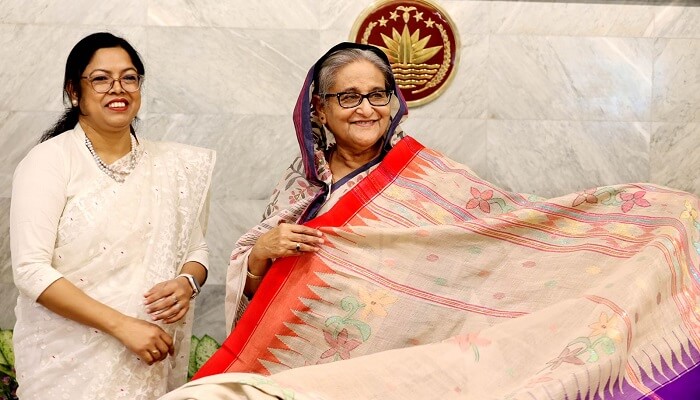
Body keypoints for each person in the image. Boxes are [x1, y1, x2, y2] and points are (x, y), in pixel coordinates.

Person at [163, 43, 699, 399]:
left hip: (401, 370)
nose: (365, 108)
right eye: (348, 96)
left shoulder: (428, 177)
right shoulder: (298, 186)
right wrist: (261, 253)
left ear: (393, 102)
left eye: (377, 94)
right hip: (305, 369)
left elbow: (508, 230)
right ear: (319, 109)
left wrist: (637, 218)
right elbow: (261, 287)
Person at [10, 32, 215, 400]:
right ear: (75, 91)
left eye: (129, 77)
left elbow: (196, 250)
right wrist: (123, 326)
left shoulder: (172, 166)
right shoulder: (49, 162)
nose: (117, 88)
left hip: (146, 359)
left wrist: (187, 282)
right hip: (66, 361)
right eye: (101, 78)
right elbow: (30, 270)